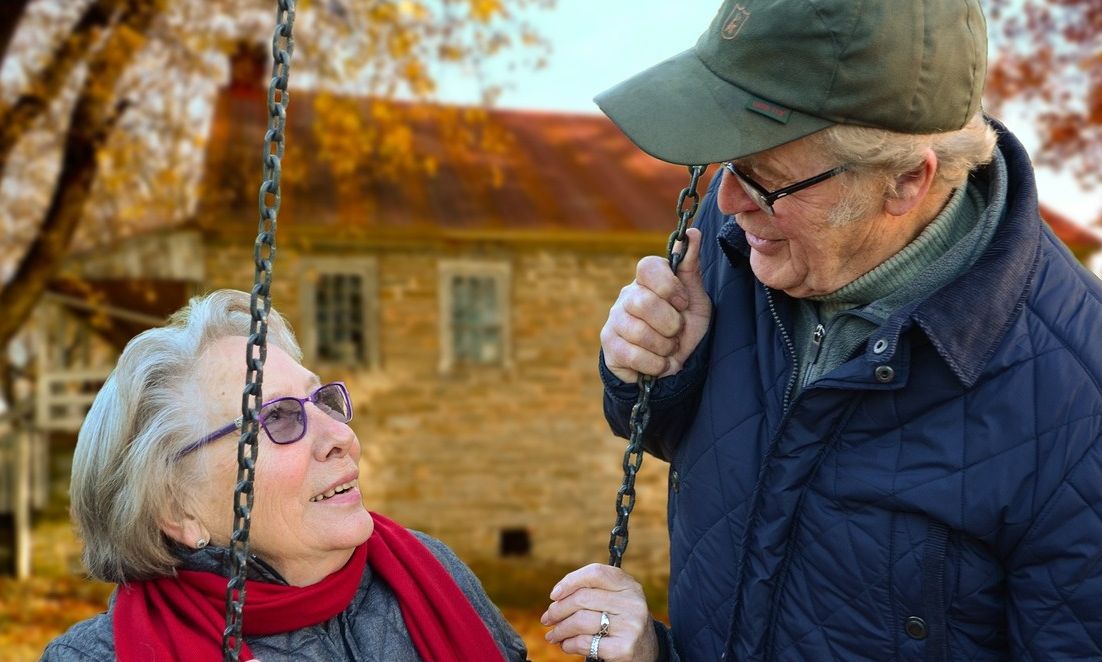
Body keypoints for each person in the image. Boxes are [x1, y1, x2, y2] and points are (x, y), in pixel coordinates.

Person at [542, 0, 1102, 660]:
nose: (728, 202)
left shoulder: (1078, 401)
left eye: (765, 179)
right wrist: (654, 372)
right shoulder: (745, 243)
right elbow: (698, 448)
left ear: (905, 182)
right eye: (726, 161)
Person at [42, 289, 528, 662]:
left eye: (321, 401)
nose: (339, 435)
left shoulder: (432, 572)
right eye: (277, 418)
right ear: (176, 508)